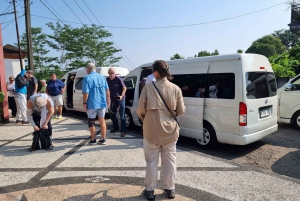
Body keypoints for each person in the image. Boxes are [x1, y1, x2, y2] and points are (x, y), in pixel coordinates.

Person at [137, 60, 186, 200]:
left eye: (153, 70)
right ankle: (170, 189)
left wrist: (146, 120)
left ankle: (150, 190)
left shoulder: (147, 88)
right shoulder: (176, 88)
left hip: (151, 130)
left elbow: (140, 110)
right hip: (170, 131)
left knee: (151, 161)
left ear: (156, 72)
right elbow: (181, 110)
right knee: (170, 160)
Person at [83, 63, 110, 145]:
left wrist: (84, 103)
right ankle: (103, 139)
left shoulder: (86, 78)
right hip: (102, 103)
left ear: (88, 69)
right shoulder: (102, 77)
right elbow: (107, 90)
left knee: (91, 121)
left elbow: (85, 93)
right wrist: (108, 100)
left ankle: (93, 139)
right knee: (102, 120)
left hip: (92, 103)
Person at [106, 68, 127, 137]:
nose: (111, 75)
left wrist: (121, 96)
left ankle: (123, 130)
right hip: (113, 100)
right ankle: (116, 127)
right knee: (112, 115)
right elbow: (106, 90)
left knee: (122, 116)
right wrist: (108, 99)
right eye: (110, 74)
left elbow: (124, 88)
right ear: (108, 74)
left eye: (112, 73)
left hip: (121, 100)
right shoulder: (107, 80)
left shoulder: (118, 79)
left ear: (115, 73)